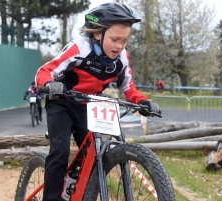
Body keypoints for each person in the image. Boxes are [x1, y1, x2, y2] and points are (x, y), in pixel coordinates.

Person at [35, 3, 160, 200]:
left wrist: (142, 101)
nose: (119, 45)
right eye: (115, 39)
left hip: (89, 106)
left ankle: (82, 191)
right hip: (62, 102)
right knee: (60, 150)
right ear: (98, 34)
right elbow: (44, 71)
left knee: (95, 156)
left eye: (125, 40)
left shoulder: (122, 58)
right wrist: (49, 83)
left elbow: (127, 86)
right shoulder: (79, 48)